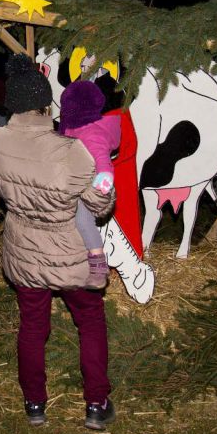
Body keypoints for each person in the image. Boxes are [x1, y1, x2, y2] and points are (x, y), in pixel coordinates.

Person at [0, 55, 118, 430]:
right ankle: (96, 404)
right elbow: (98, 204)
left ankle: (34, 404)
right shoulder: (70, 151)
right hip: (68, 252)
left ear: (11, 105)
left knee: (32, 326)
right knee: (90, 320)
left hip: (24, 249)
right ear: (47, 105)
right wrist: (104, 182)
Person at [58, 80, 121, 289]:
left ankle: (98, 266)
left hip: (87, 188)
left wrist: (102, 183)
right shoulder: (75, 127)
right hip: (73, 184)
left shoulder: (91, 132)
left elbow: (102, 159)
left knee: (83, 220)